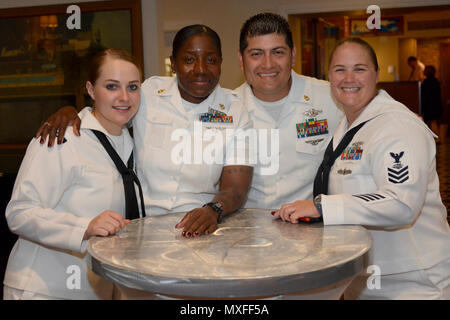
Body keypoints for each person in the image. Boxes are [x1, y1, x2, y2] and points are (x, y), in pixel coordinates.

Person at [34, 25, 253, 238]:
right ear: (173, 64)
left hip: (199, 228)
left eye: (211, 60)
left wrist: (213, 209)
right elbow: (110, 111)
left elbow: (236, 187)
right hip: (139, 229)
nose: (200, 69)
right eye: (188, 59)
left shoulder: (235, 111)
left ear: (222, 63)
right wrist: (72, 111)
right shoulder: (148, 93)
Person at [273, 38, 450, 300]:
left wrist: (323, 207)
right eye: (340, 69)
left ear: (377, 74)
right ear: (329, 77)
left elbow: (401, 203)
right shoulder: (349, 124)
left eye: (360, 68)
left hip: (413, 282)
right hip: (368, 278)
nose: (348, 78)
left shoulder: (397, 127)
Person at [4, 48, 144, 300]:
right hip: (45, 289)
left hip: (94, 290)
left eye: (133, 87)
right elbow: (19, 213)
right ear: (91, 90)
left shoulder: (130, 143)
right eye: (112, 86)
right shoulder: (63, 137)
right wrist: (85, 226)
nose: (124, 97)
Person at [236, 12, 344, 210]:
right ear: (241, 60)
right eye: (256, 54)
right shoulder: (227, 111)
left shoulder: (330, 97)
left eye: (278, 52)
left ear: (292, 55)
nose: (268, 64)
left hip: (311, 228)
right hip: (249, 231)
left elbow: (380, 114)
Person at [421, 65, 443, 139]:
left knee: (429, 122)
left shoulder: (426, 82)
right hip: (436, 104)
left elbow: (424, 95)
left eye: (425, 70)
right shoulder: (436, 81)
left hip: (428, 105)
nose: (423, 71)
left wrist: (422, 106)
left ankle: (432, 138)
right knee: (436, 122)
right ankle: (438, 137)